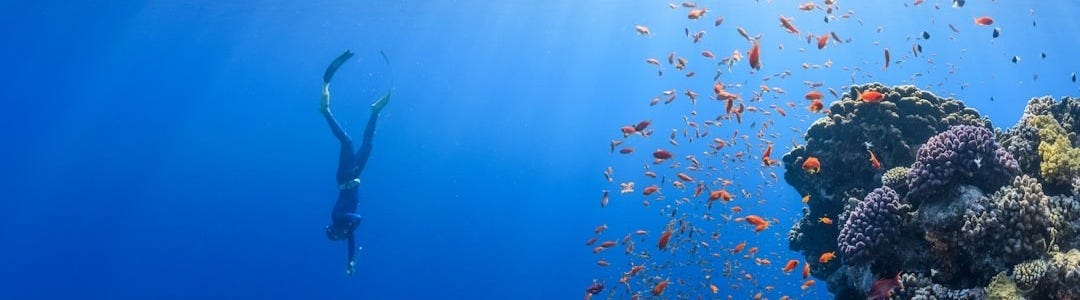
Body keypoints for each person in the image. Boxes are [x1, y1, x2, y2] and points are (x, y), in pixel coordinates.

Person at [319, 50, 391, 275]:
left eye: (337, 234)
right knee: (368, 145)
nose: (341, 236)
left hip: (345, 178)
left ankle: (325, 111)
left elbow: (357, 218)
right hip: (355, 177)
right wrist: (350, 261)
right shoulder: (346, 230)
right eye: (338, 235)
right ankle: (375, 111)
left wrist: (348, 230)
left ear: (335, 230)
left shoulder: (339, 220)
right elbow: (351, 242)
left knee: (347, 142)